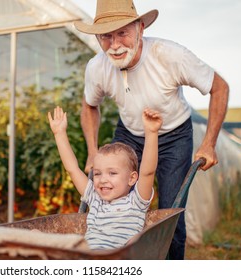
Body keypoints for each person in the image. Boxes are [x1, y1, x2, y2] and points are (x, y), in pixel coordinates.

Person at [74, 0, 229, 258]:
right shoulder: (97, 67)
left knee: (170, 215)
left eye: (122, 32)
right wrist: (92, 151)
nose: (114, 45)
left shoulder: (170, 55)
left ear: (140, 28)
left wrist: (209, 143)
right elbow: (89, 106)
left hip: (174, 135)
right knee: (108, 201)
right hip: (129, 132)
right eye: (106, 36)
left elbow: (219, 87)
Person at [48, 106, 162, 249]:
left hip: (117, 259)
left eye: (112, 173)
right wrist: (59, 134)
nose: (102, 179)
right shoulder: (94, 198)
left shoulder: (136, 202)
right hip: (87, 257)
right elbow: (72, 169)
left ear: (132, 178)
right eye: (97, 173)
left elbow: (147, 172)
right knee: (47, 240)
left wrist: (151, 133)